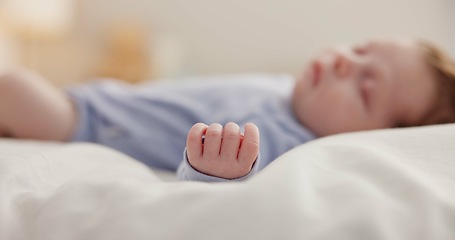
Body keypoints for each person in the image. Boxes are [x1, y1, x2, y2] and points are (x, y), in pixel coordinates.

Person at [0, 38, 454, 182]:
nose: (342, 61)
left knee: (13, 85)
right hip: (101, 98)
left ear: (371, 138)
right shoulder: (287, 92)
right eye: (359, 51)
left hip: (88, 125)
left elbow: (227, 179)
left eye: (366, 84)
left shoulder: (283, 141)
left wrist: (212, 171)